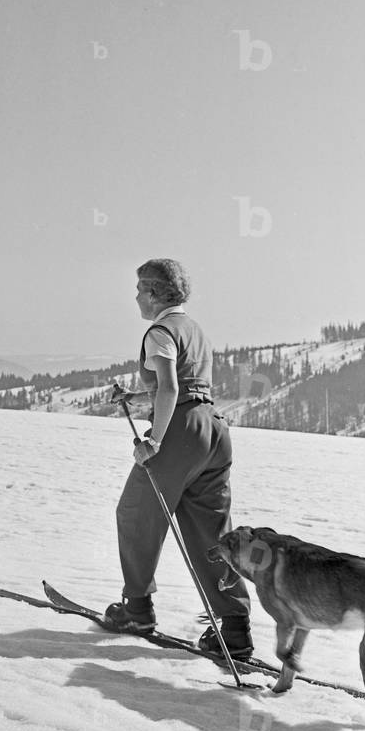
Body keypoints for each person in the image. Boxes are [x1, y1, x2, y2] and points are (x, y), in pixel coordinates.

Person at [104, 258, 254, 659]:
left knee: (135, 514)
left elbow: (170, 389)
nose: (135, 296)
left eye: (139, 289)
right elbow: (188, 386)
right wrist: (137, 398)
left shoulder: (159, 332)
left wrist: (154, 437)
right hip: (214, 431)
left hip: (181, 434)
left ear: (154, 293)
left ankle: (137, 610)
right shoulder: (193, 329)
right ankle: (235, 627)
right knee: (211, 530)